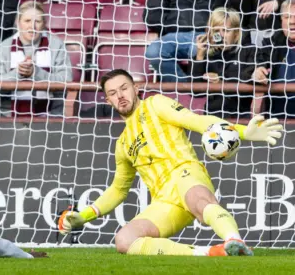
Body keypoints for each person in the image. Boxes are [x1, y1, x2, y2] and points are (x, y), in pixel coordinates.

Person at [58, 69, 283, 256]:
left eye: (124, 88)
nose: (121, 96)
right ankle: (208, 252)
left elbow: (196, 120)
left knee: (199, 201)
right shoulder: (123, 144)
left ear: (136, 88)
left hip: (186, 173)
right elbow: (118, 190)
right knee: (124, 240)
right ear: (107, 100)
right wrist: (84, 216)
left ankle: (235, 240)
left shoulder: (155, 104)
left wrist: (243, 132)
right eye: (113, 93)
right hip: (164, 201)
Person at [0, 1, 72, 117]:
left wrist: (36, 73)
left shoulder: (56, 44)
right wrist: (17, 74)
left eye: (37, 21)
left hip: (51, 118)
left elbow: (67, 82)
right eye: (27, 21)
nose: (32, 26)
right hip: (8, 118)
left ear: (44, 24)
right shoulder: (5, 46)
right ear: (18, 23)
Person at [190, 8, 260, 119]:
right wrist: (199, 57)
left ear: (236, 33)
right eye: (217, 31)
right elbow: (195, 92)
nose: (221, 36)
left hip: (239, 116)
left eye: (226, 31)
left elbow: (248, 87)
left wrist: (221, 84)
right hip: (212, 117)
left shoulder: (249, 51)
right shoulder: (209, 55)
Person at [253, 0, 295, 117]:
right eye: (287, 17)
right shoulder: (274, 42)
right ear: (281, 21)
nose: (292, 22)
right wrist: (258, 69)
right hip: (277, 116)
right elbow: (259, 58)